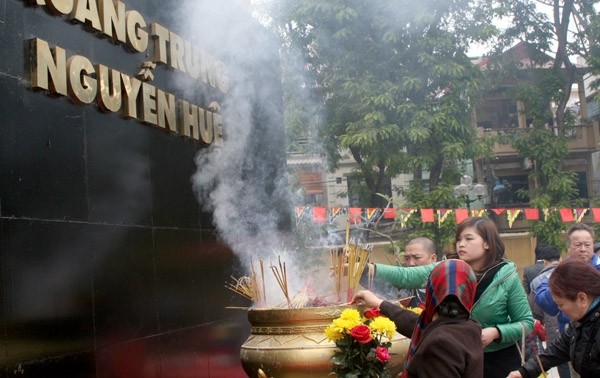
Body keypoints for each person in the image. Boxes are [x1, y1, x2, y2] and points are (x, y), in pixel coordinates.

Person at [365, 216, 533, 378]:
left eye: (469, 239)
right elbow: (406, 276)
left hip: (498, 361)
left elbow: (526, 323)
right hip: (452, 356)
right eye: (459, 239)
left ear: (487, 243)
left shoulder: (506, 277)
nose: (461, 244)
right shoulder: (448, 270)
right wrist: (368, 269)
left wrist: (496, 332)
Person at [353, 259, 483, 378]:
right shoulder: (470, 327)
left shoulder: (440, 344)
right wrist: (379, 303)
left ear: (431, 291)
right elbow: (416, 324)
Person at [507, 260, 600, 378]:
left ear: (582, 298)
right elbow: (558, 350)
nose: (559, 309)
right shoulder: (581, 320)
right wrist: (524, 372)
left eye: (561, 304)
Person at [528, 244, 569, 378]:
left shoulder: (536, 280)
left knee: (560, 358)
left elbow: (535, 309)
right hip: (573, 322)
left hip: (552, 326)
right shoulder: (571, 272)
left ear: (544, 262)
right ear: (561, 258)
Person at [398, 237, 437, 308]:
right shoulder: (404, 288)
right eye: (407, 258)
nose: (411, 263)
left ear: (433, 259)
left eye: (417, 257)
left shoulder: (443, 287)